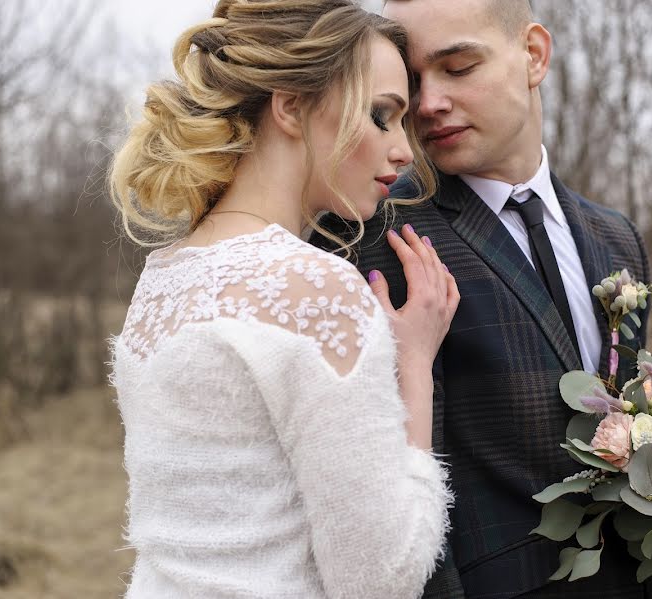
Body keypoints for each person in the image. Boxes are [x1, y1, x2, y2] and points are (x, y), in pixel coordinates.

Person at [312, 1, 652, 597]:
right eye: (414, 81)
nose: (427, 103)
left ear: (534, 55)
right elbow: (390, 489)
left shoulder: (615, 236)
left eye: (459, 67)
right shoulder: (375, 234)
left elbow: (636, 444)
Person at [107, 1, 460, 597]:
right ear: (291, 106)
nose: (403, 150)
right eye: (381, 115)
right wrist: (414, 366)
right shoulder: (317, 290)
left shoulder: (162, 278)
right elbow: (382, 575)